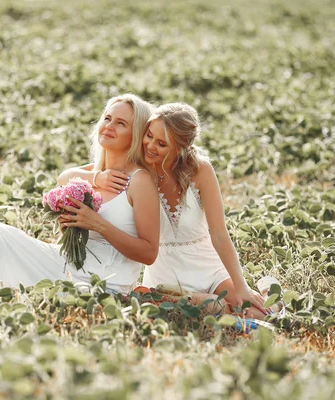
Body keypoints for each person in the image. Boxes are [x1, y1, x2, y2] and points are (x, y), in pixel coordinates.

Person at [0, 94, 159, 302]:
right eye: (107, 118)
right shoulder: (94, 172)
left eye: (121, 123)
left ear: (135, 135)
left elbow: (149, 253)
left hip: (100, 284)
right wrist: (80, 209)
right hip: (68, 264)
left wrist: (97, 224)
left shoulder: (139, 181)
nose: (109, 126)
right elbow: (65, 177)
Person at [61, 103, 276, 319]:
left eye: (162, 144)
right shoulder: (139, 171)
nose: (150, 146)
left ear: (180, 148)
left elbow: (219, 234)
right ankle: (232, 304)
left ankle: (270, 295)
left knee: (258, 314)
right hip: (166, 276)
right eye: (148, 136)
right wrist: (97, 177)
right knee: (216, 311)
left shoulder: (200, 170)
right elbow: (66, 176)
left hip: (208, 267)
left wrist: (241, 287)